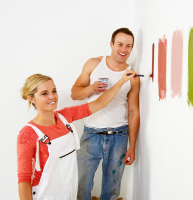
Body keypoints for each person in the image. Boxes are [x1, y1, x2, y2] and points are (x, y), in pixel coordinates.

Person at [17, 71, 135, 200]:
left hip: (69, 192)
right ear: (31, 98)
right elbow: (24, 179)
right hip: (45, 195)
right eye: (44, 93)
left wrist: (122, 81)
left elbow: (99, 103)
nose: (52, 96)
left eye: (54, 91)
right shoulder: (28, 134)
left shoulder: (65, 116)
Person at [71, 27, 140, 200]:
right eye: (120, 44)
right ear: (111, 44)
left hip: (119, 136)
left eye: (128, 46)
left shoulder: (132, 76)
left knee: (112, 191)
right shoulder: (94, 64)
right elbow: (74, 93)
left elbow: (133, 112)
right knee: (81, 186)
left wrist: (132, 145)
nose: (123, 49)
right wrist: (91, 88)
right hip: (91, 134)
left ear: (132, 48)